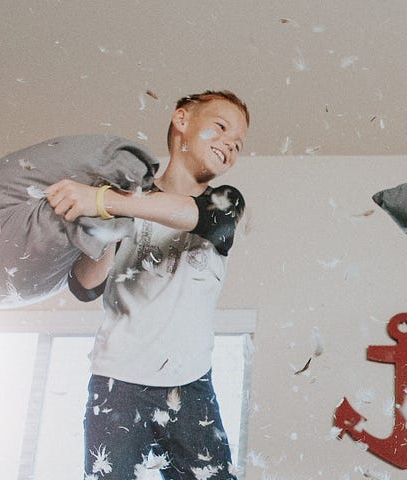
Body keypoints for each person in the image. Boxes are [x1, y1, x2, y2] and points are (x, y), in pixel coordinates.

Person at [44, 90, 249, 480]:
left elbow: (197, 217)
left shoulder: (225, 201)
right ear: (182, 121)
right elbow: (85, 286)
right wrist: (107, 224)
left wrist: (105, 201)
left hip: (189, 385)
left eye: (238, 143)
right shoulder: (126, 198)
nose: (230, 144)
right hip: (116, 383)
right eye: (221, 128)